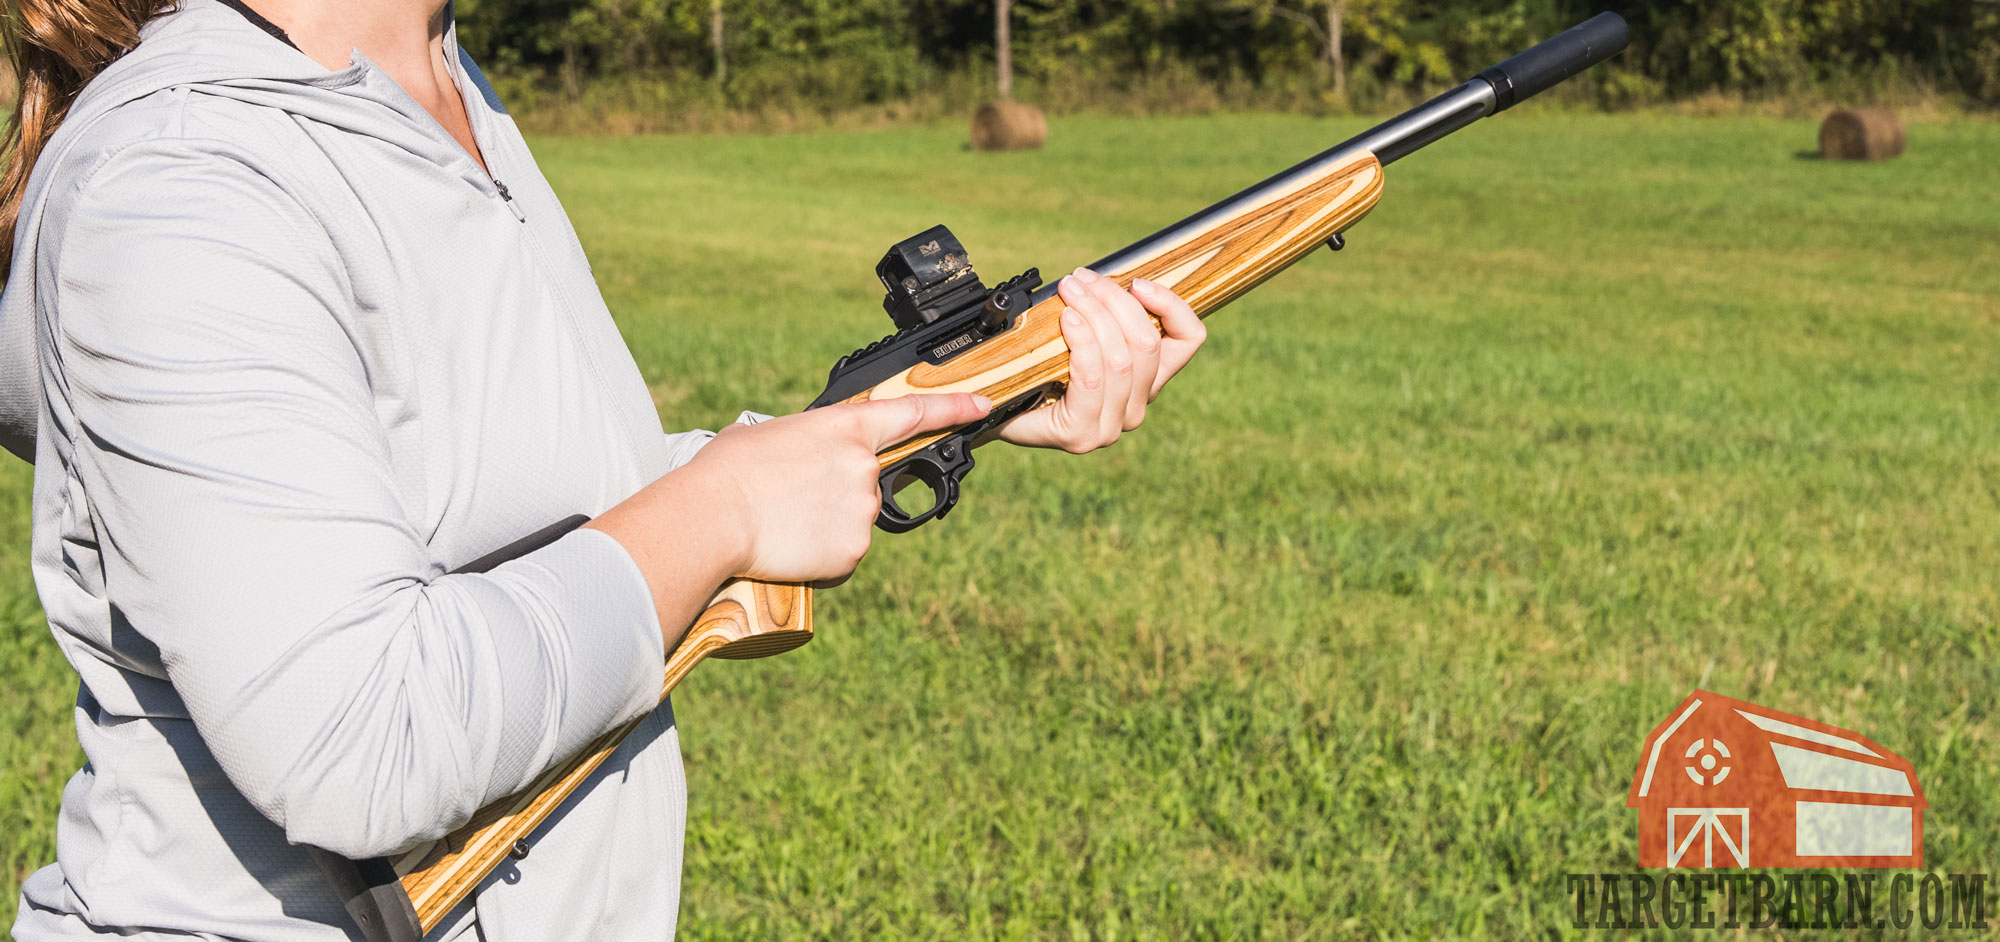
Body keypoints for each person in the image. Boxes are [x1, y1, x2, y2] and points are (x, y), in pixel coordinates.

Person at [0, 0, 1207, 939]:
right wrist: (730, 504)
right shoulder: (179, 181)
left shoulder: (449, 96)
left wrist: (946, 406)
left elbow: (537, 509)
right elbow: (356, 739)